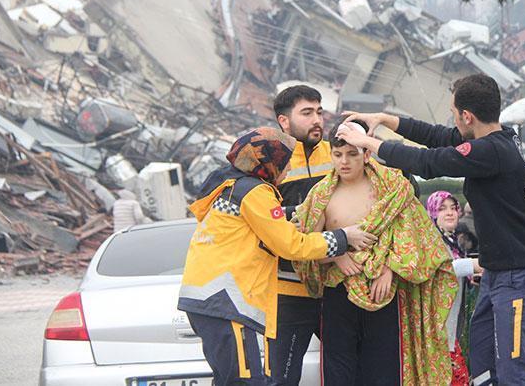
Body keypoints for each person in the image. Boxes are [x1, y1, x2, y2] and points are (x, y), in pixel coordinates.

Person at [336, 73, 525, 385]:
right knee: (483, 364)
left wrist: (367, 142)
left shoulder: (491, 152)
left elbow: (429, 162)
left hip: (518, 276)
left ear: (467, 116)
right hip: (499, 272)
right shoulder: (498, 137)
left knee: (514, 373)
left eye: (454, 113)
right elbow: (437, 137)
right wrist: (383, 119)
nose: (453, 121)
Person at [177, 127, 376, 385]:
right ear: (269, 161)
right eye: (284, 162)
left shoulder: (230, 186)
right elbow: (291, 246)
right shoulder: (255, 192)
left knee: (231, 379)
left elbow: (271, 226)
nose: (287, 169)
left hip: (209, 299)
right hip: (226, 299)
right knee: (243, 381)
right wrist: (342, 238)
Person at [294, 119, 458, 386]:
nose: (344, 162)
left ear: (367, 153)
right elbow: (305, 246)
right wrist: (338, 254)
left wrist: (391, 269)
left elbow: (418, 237)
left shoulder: (392, 188)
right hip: (339, 292)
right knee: (339, 372)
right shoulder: (320, 195)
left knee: (384, 371)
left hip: (384, 293)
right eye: (337, 155)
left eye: (351, 154)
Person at [269, 85, 333, 385]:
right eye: (307, 113)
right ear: (284, 121)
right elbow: (265, 218)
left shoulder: (338, 153)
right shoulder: (270, 163)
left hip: (336, 285)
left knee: (351, 373)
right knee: (282, 377)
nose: (316, 119)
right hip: (289, 290)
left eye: (319, 112)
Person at [426, 191, 483, 385]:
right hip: (437, 334)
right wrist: (475, 264)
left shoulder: (453, 243)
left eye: (453, 208)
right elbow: (443, 268)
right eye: (442, 209)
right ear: (432, 213)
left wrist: (471, 277)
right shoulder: (431, 241)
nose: (449, 213)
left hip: (449, 332)